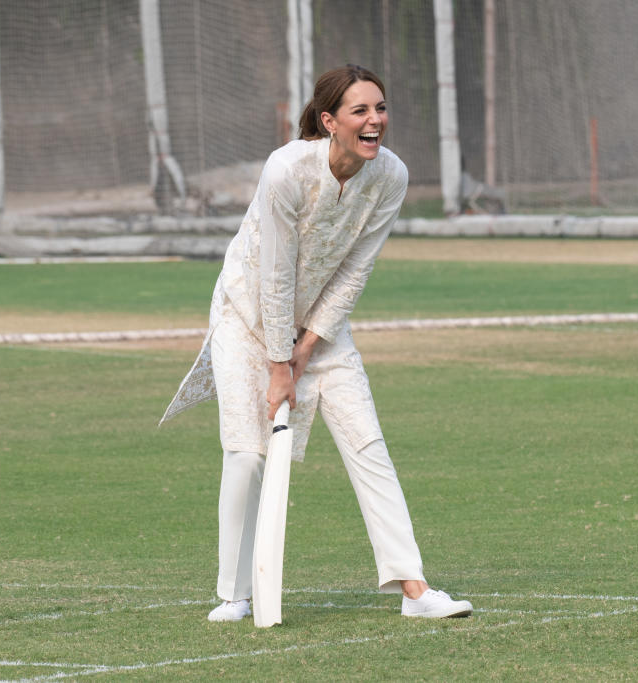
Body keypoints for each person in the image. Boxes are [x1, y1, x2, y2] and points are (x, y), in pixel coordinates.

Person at [160, 65, 472, 622]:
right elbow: (274, 274)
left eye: (380, 108)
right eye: (360, 111)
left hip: (321, 329)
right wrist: (281, 361)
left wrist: (307, 347)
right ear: (330, 121)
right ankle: (235, 594)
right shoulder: (286, 170)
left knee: (367, 441)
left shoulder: (391, 176)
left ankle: (415, 591)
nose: (374, 120)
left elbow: (356, 268)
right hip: (248, 315)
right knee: (246, 452)